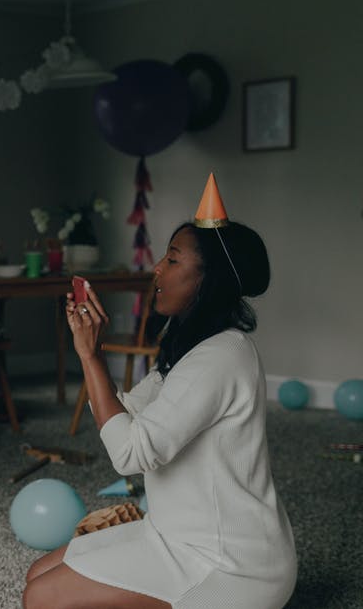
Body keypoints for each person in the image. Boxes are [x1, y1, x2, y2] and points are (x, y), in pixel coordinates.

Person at [23, 175, 296, 609]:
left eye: (172, 259)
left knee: (43, 599)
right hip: (171, 533)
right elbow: (125, 411)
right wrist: (87, 350)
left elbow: (132, 453)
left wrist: (93, 359)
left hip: (230, 564)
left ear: (211, 279)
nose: (157, 269)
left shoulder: (222, 356)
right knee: (37, 574)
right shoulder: (192, 345)